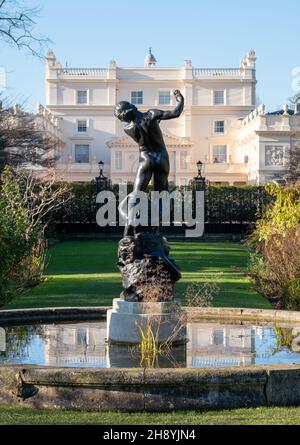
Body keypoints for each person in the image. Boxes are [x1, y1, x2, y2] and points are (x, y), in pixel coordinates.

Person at [114, 89, 184, 193]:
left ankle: (131, 208)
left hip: (146, 158)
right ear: (132, 107)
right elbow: (176, 113)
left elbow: (144, 133)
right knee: (161, 195)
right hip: (161, 157)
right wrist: (181, 99)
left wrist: (155, 124)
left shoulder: (127, 129)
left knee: (136, 194)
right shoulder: (151, 114)